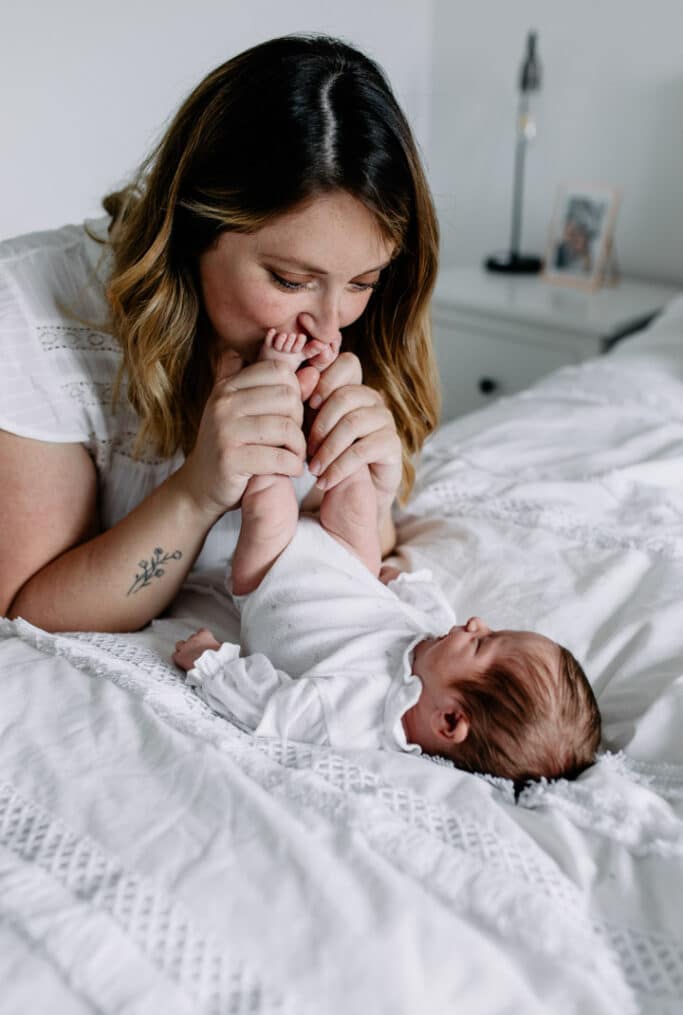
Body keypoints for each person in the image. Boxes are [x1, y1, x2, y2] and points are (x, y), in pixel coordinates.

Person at [0, 34, 440, 633]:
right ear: (191, 227)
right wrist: (198, 491)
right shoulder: (31, 312)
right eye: (289, 280)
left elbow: (356, 555)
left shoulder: (361, 322)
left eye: (363, 281)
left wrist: (366, 491)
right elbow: (26, 611)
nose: (331, 322)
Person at [173, 330, 601, 787]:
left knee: (269, 494)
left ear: (450, 721)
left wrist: (211, 662)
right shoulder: (432, 645)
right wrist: (397, 582)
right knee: (354, 488)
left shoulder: (356, 716)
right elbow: (424, 601)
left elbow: (271, 708)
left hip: (274, 575)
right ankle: (328, 392)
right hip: (352, 566)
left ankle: (272, 381)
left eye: (481, 644)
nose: (476, 623)